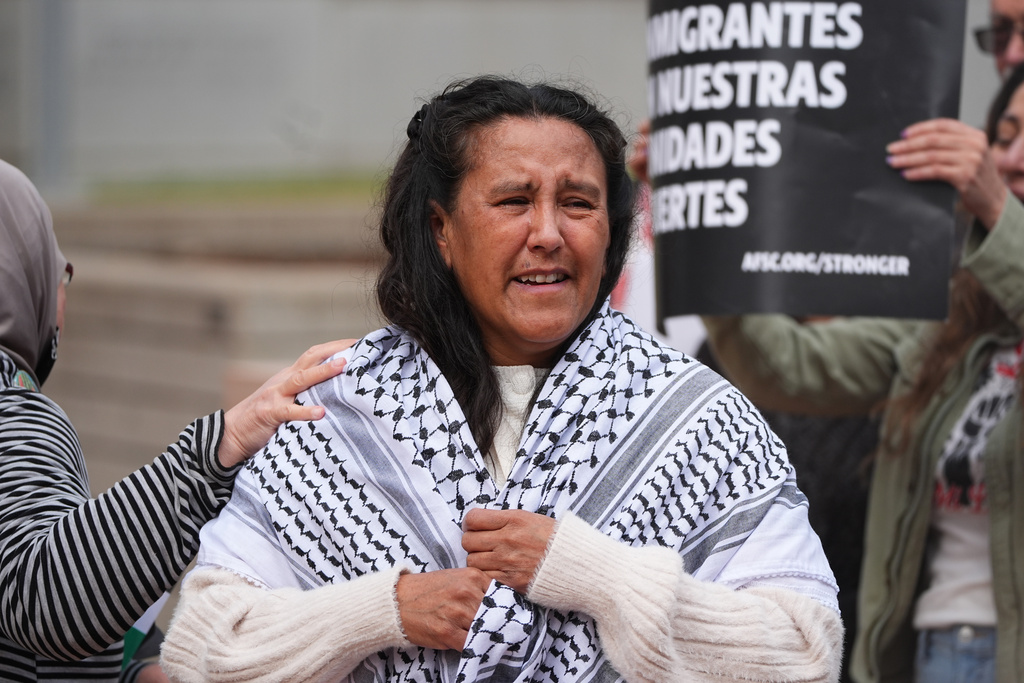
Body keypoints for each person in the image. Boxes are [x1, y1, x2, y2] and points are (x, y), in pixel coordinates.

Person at [160, 76, 843, 683]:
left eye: (578, 203)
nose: (547, 232)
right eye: (514, 200)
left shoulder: (694, 420)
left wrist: (594, 574)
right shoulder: (336, 413)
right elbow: (200, 649)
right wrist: (382, 610)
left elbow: (804, 651)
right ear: (441, 230)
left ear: (613, 232)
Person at [701, 64, 1024, 682]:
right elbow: (791, 367)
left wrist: (992, 207)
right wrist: (705, 232)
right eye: (1002, 136)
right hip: (937, 653)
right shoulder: (953, 323)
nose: (1011, 158)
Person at [0, 157, 353, 682]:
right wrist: (220, 445)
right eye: (59, 273)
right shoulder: (15, 415)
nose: (62, 296)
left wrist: (136, 665)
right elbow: (48, 600)